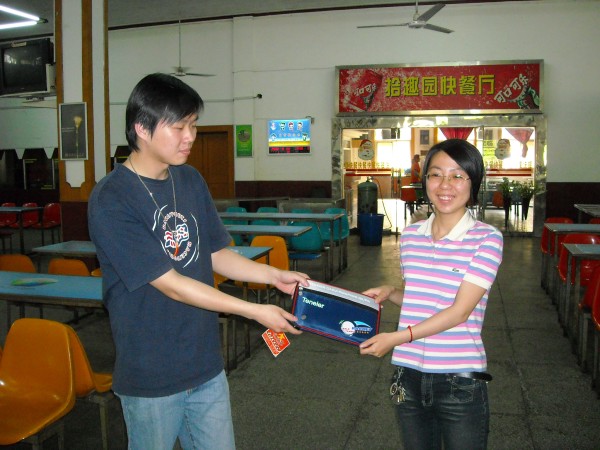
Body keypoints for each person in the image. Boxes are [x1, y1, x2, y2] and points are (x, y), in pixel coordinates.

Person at [88, 73, 309, 450]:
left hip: (205, 364)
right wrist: (253, 311)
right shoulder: (112, 198)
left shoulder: (189, 180)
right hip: (152, 374)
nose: (190, 136)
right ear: (142, 128)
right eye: (179, 127)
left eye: (193, 125)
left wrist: (274, 276)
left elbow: (216, 253)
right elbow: (171, 284)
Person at [359, 139, 503, 450]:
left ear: (473, 183)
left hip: (458, 379)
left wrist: (396, 338)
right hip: (408, 374)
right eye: (436, 174)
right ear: (425, 180)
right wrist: (392, 292)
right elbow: (424, 298)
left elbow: (459, 312)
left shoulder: (486, 239)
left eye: (457, 175)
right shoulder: (411, 235)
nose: (445, 185)